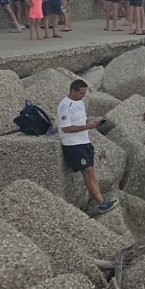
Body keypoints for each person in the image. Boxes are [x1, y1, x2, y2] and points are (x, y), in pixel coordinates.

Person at [58, 80, 118, 215]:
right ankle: (101, 203)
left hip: (84, 141)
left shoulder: (80, 103)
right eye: (81, 93)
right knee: (88, 171)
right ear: (72, 91)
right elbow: (66, 128)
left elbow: (81, 120)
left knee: (91, 172)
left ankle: (102, 200)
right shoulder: (64, 106)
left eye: (84, 93)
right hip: (73, 144)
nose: (83, 96)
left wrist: (90, 123)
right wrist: (87, 127)